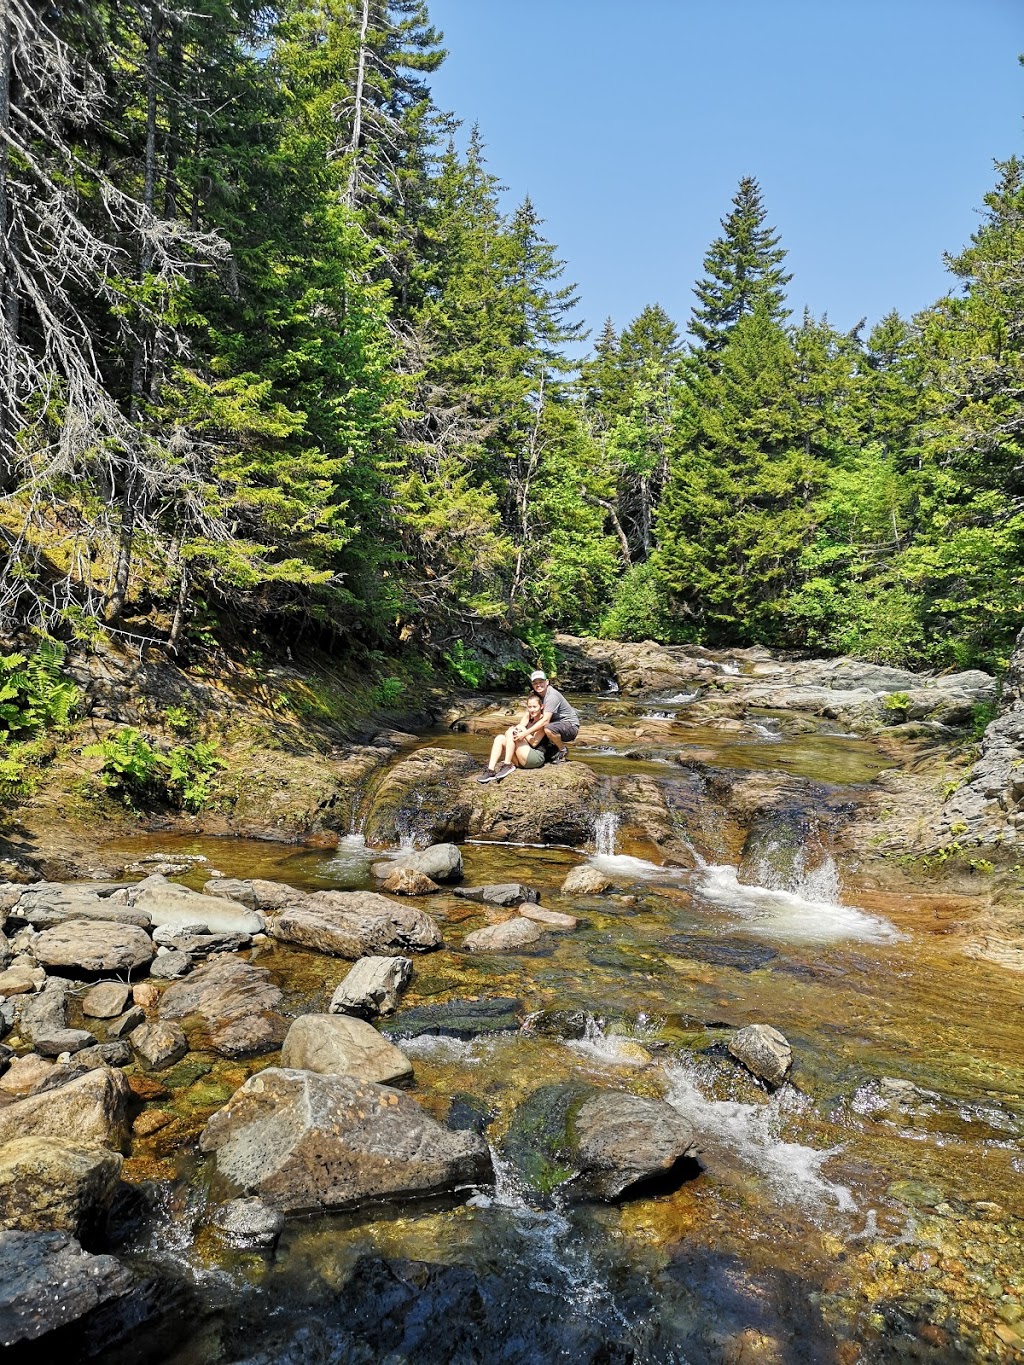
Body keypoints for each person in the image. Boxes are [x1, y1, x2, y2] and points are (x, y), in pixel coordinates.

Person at [477, 693, 553, 783]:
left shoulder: (543, 721)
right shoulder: (528, 717)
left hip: (535, 758)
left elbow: (534, 743)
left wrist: (523, 731)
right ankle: (490, 770)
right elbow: (517, 729)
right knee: (500, 738)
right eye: (530, 707)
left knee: (510, 734)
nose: (532, 710)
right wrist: (514, 731)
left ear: (541, 707)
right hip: (521, 757)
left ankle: (507, 765)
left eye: (534, 707)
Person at [528, 669, 579, 762]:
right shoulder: (535, 696)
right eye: (535, 683)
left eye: (541, 682)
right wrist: (519, 727)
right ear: (532, 685)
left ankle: (562, 750)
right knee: (534, 722)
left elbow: (545, 721)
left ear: (547, 682)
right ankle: (549, 750)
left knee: (548, 728)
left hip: (570, 726)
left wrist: (525, 733)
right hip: (555, 723)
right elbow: (528, 714)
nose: (538, 685)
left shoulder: (552, 696)